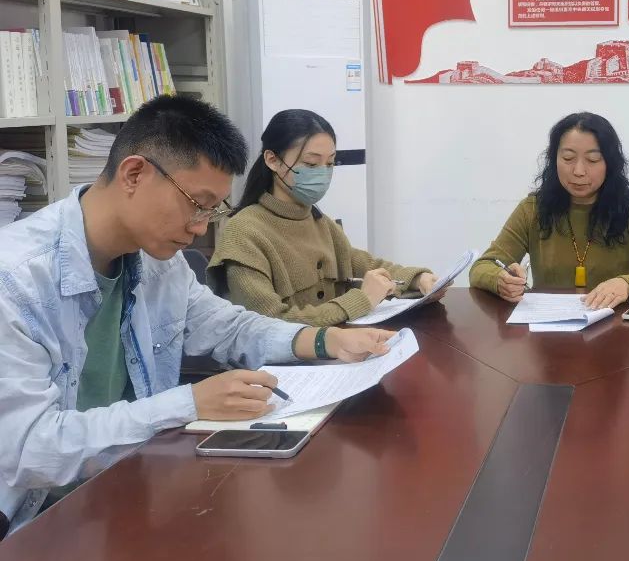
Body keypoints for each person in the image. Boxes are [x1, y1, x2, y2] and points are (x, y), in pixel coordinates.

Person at [0, 97, 396, 534]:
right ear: (134, 174)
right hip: (42, 522)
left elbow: (228, 326)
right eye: (197, 203)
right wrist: (188, 403)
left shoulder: (157, 261)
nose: (201, 227)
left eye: (213, 209)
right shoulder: (15, 281)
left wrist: (323, 340)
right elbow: (28, 452)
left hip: (133, 486)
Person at [209, 110, 446, 326]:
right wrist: (362, 299)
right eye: (311, 163)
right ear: (272, 160)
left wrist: (418, 279)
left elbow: (366, 264)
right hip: (291, 358)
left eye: (330, 163)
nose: (323, 173)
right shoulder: (243, 232)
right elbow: (269, 324)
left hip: (340, 348)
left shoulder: (320, 222)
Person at [470, 112, 629, 309]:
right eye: (568, 158)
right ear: (554, 159)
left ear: (610, 163)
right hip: (548, 330)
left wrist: (627, 284)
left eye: (592, 160)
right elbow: (482, 267)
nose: (578, 171)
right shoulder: (533, 208)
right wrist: (500, 280)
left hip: (617, 330)